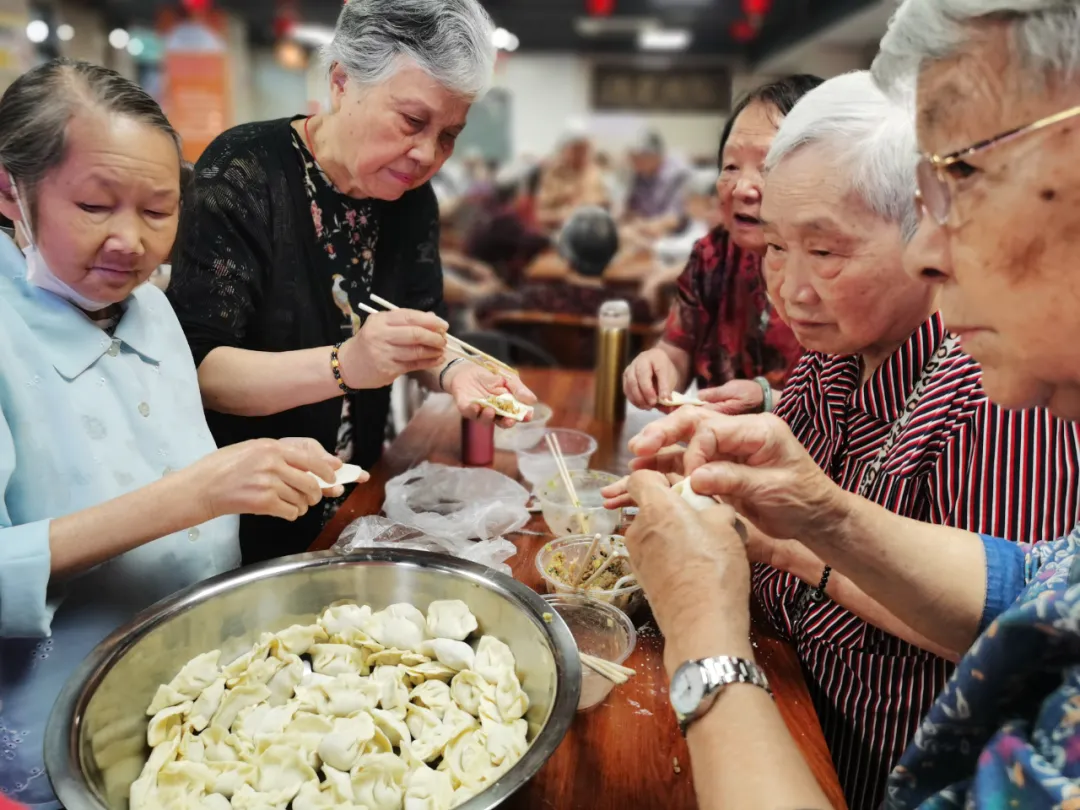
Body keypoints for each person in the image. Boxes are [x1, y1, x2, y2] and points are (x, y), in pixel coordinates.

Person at [606, 0, 1080, 806]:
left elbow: (999, 651)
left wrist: (708, 625)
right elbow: (1037, 592)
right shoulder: (830, 364)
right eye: (777, 248)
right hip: (801, 704)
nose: (931, 250)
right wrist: (790, 518)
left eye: (960, 177)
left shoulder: (1014, 386)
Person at [0, 59, 356, 810]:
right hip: (64, 733)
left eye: (159, 212)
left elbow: (172, 456)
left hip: (201, 696)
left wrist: (253, 472)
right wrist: (193, 493)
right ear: (11, 190)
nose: (130, 242)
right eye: (95, 205)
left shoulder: (151, 312)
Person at [167, 0, 535, 564]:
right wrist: (347, 365)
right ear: (342, 81)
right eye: (413, 122)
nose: (427, 155)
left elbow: (421, 338)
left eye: (449, 135)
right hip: (244, 511)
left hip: (352, 494)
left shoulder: (411, 199)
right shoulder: (244, 171)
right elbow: (201, 372)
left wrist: (458, 370)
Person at [623, 75, 822, 415]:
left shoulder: (838, 275)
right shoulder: (715, 256)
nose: (742, 187)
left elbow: (866, 407)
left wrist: (770, 400)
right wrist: (657, 365)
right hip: (710, 456)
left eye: (768, 166)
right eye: (730, 166)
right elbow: (677, 347)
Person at [474, 206, 652, 328]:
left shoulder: (536, 300)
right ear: (613, 255)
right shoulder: (632, 308)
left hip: (540, 381)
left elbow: (482, 309)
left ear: (564, 253)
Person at [534, 124, 609, 230]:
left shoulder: (595, 173)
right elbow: (537, 215)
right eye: (577, 149)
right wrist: (565, 216)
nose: (583, 154)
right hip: (560, 233)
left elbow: (605, 204)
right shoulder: (550, 176)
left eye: (586, 149)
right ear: (563, 150)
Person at [622, 130, 691, 237]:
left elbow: (676, 218)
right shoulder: (639, 174)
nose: (634, 163)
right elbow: (630, 209)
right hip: (646, 233)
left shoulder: (678, 174)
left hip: (675, 237)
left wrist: (646, 226)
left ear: (654, 155)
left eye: (638, 158)